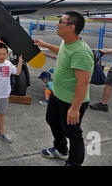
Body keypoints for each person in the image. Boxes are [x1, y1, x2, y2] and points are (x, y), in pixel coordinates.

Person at [34, 11, 94, 166]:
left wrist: (75, 108)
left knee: (73, 133)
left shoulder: (81, 51)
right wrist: (45, 45)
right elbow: (62, 52)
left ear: (71, 27)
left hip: (71, 101)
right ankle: (60, 150)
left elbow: (83, 82)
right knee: (51, 120)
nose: (57, 23)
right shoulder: (67, 42)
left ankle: (74, 162)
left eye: (60, 21)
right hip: (57, 94)